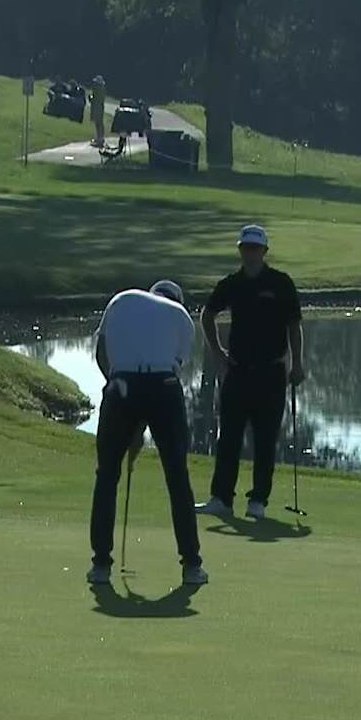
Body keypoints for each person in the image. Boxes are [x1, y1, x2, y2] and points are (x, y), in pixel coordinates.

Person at [88, 280, 207, 586]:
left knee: (107, 476)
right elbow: (169, 369)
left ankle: (101, 564)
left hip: (121, 384)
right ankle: (191, 566)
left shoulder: (122, 299)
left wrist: (118, 398)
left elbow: (103, 354)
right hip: (164, 388)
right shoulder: (182, 317)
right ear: (176, 299)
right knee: (177, 476)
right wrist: (139, 425)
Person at [195, 225, 305, 521]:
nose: (250, 253)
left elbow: (294, 326)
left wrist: (297, 363)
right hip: (238, 371)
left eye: (255, 248)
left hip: (271, 372)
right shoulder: (232, 284)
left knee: (266, 438)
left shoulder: (280, 283)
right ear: (240, 250)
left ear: (264, 251)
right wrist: (218, 353)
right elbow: (207, 314)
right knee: (228, 437)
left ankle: (258, 500)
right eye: (246, 248)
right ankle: (221, 498)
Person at [89, 75, 107, 148]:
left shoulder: (99, 90)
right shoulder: (101, 89)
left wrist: (91, 98)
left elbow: (96, 99)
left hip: (97, 107)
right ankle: (99, 138)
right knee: (98, 123)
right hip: (98, 107)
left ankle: (100, 139)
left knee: (98, 123)